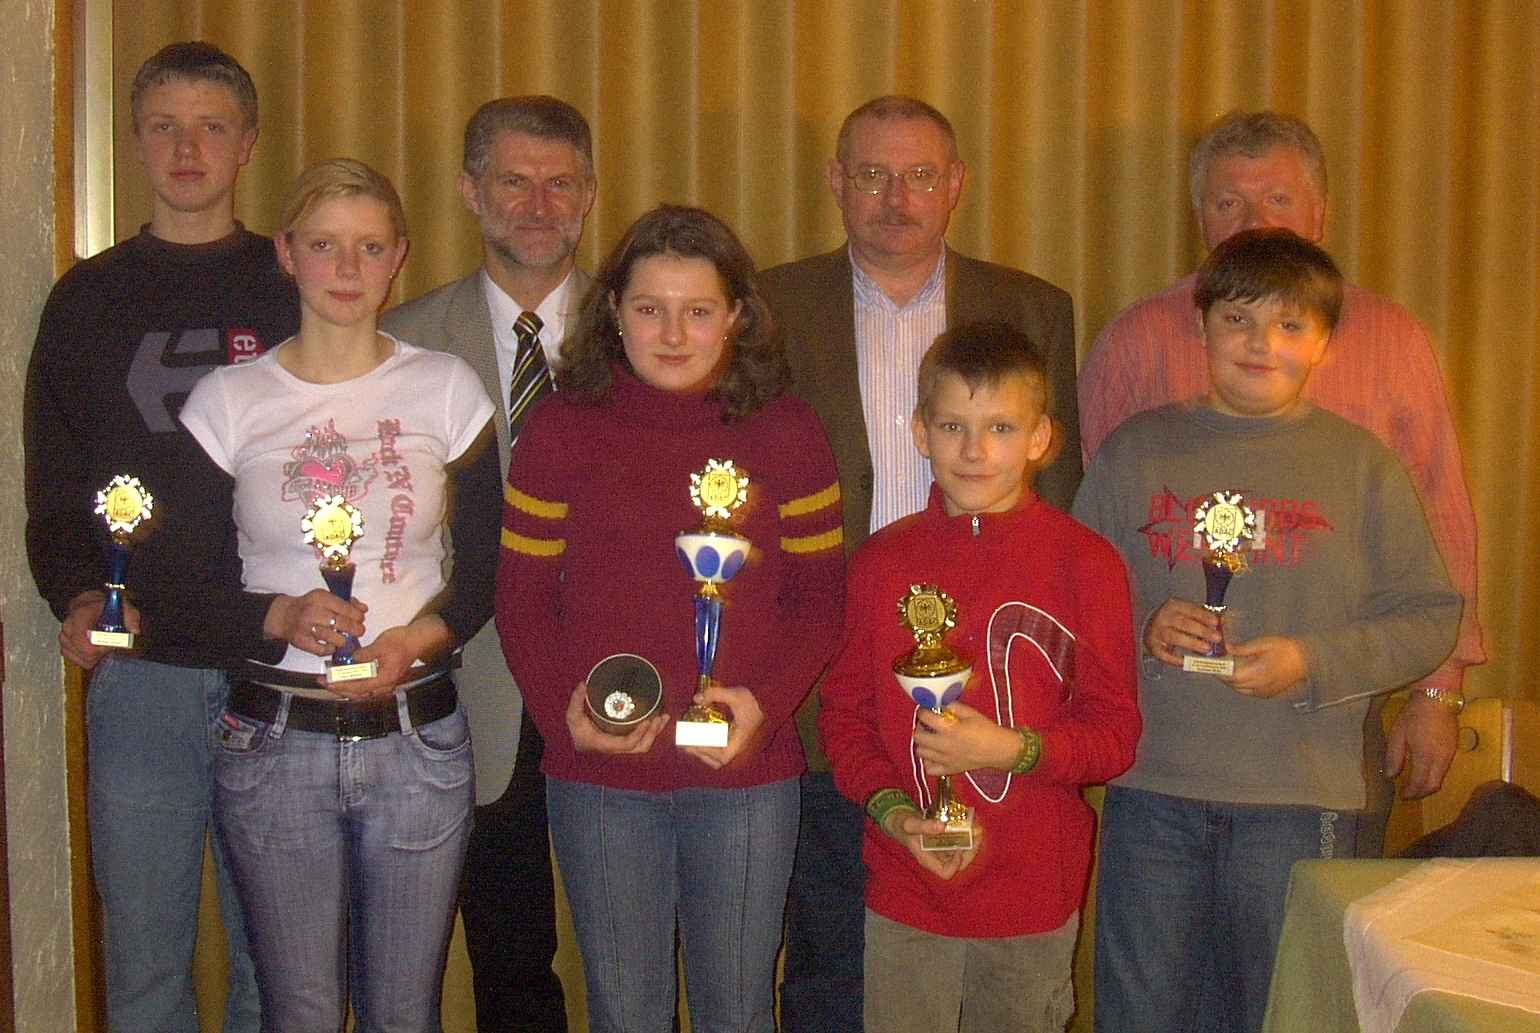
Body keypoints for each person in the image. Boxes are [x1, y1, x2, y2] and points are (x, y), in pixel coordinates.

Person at [1073, 228, 1462, 1033]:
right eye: (1238, 320)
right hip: (1154, 788)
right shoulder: (1133, 453)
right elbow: (1067, 602)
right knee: (1140, 1015)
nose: (1261, 344)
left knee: (1283, 1015)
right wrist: (1141, 625)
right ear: (1201, 326)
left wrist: (1311, 660)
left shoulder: (1363, 467)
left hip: (1299, 796)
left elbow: (1432, 617)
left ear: (1323, 342)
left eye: (1289, 325)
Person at [756, 94, 1080, 1032]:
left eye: (920, 175)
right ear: (835, 182)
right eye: (872, 174)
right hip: (829, 686)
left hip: (993, 701)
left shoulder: (1033, 308)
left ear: (956, 185)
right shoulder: (769, 308)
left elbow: (1058, 502)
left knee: (986, 968)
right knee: (829, 955)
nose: (896, 197)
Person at [1077, 111, 1482, 827]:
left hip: (1323, 728)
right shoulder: (1135, 341)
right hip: (1169, 736)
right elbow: (1091, 550)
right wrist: (1137, 629)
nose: (1254, 221)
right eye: (1228, 202)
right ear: (1200, 217)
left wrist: (1436, 693)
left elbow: (1443, 517)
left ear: (1320, 213)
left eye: (1278, 199)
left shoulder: (1393, 339)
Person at [496, 204, 845, 1033]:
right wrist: (565, 718)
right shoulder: (560, 427)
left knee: (738, 1009)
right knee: (625, 1011)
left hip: (745, 774)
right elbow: (522, 599)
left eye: (698, 309)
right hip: (602, 777)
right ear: (614, 311)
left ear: (736, 315)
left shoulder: (789, 430)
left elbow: (822, 598)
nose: (675, 333)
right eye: (650, 308)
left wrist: (765, 707)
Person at [178, 158, 501, 1030]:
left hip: (417, 739)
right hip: (274, 742)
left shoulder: (446, 388)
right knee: (302, 1011)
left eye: (369, 247)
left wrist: (416, 639)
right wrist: (278, 615)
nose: (348, 268)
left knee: (405, 1012)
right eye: (324, 246)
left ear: (399, 257)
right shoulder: (227, 401)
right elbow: (186, 585)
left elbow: (486, 567)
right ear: (286, 254)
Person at [22, 41, 294, 1033]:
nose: (188, 149)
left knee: (283, 968)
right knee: (143, 966)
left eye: (211, 127)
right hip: (143, 675)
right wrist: (76, 592)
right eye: (166, 127)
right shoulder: (86, 298)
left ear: (247, 143)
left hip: (279, 666)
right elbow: (54, 484)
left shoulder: (294, 285)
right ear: (136, 141)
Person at [818, 321, 1140, 1033]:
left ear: (1040, 437)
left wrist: (1009, 749)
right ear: (920, 431)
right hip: (907, 887)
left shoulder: (1087, 564)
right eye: (952, 426)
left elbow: (1114, 734)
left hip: (1032, 895)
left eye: (1000, 427)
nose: (974, 450)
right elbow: (843, 716)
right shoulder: (880, 563)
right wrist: (895, 814)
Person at [381, 94, 594, 1032]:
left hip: (622, 681)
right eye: (514, 181)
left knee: (639, 946)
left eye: (560, 183)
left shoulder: (651, 329)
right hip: (474, 685)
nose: (539, 205)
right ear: (471, 191)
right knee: (508, 958)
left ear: (589, 195)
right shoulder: (401, 342)